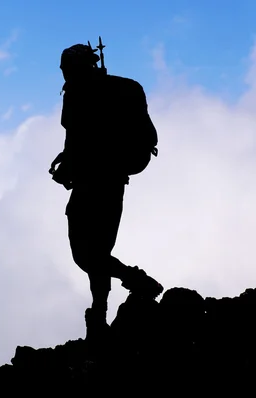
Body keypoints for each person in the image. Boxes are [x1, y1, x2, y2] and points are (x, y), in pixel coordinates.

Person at [49, 43, 163, 343]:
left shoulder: (78, 95)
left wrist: (66, 167)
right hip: (114, 183)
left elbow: (79, 140)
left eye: (65, 69)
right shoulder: (123, 90)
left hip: (92, 183)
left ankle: (129, 286)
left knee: (85, 254)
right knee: (97, 251)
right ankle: (101, 311)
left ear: (72, 68)